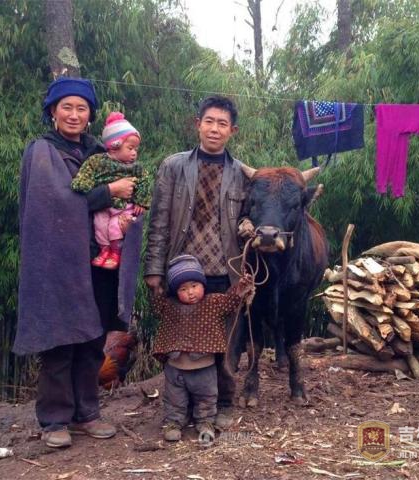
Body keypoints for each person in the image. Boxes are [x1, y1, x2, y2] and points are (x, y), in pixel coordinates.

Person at [13, 77, 139, 449]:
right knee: (60, 340)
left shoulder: (100, 151)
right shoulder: (42, 152)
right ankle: (55, 419)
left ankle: (87, 413)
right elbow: (54, 204)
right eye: (66, 107)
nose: (73, 114)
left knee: (92, 339)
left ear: (90, 115)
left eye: (81, 108)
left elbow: (130, 189)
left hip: (99, 263)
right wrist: (109, 192)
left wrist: (128, 210)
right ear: (52, 112)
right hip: (58, 263)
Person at [144, 95, 249, 429]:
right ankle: (183, 407)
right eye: (209, 121)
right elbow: (159, 221)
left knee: (226, 343)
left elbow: (249, 220)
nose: (215, 129)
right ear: (198, 124)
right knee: (181, 341)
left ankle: (223, 402)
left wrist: (249, 227)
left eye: (222, 124)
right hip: (182, 272)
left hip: (224, 271)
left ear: (232, 130)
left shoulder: (242, 173)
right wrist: (154, 269)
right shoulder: (173, 167)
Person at [151, 255, 254, 442]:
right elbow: (156, 303)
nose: (190, 292)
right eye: (183, 289)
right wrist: (156, 286)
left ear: (203, 284)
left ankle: (206, 422)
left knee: (207, 397)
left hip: (204, 368)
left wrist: (241, 287)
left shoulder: (214, 302)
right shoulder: (169, 306)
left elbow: (231, 301)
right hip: (175, 369)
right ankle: (174, 423)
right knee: (174, 399)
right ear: (175, 292)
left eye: (194, 285)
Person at [72, 112, 153, 269]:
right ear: (114, 146)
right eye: (130, 148)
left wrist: (141, 201)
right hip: (103, 206)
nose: (134, 153)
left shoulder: (135, 167)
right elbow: (86, 173)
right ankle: (104, 250)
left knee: (115, 227)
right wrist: (81, 184)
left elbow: (144, 180)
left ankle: (116, 252)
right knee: (100, 225)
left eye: (136, 149)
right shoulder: (97, 161)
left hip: (123, 207)